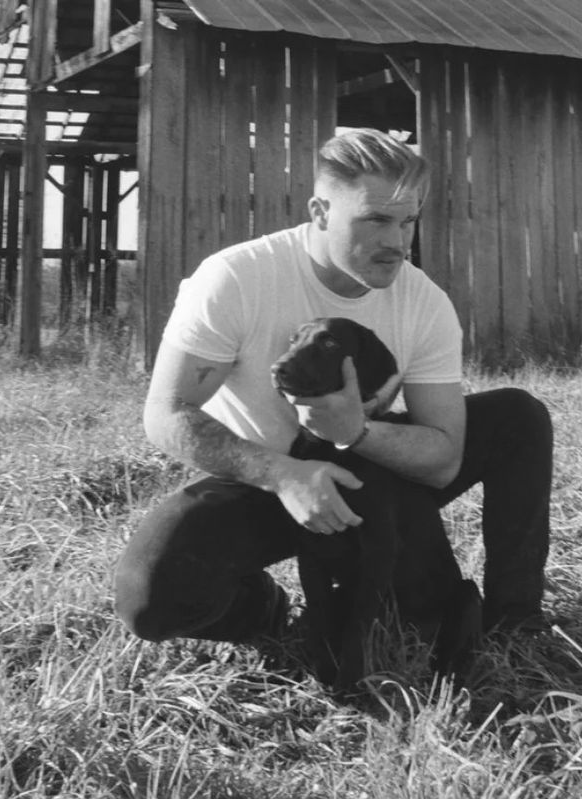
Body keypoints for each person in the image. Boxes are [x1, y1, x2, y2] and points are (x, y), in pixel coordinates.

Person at [114, 128, 553, 666]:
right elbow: (166, 412)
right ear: (320, 211)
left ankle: (515, 620)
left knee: (520, 417)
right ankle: (264, 613)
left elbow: (443, 460)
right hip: (264, 478)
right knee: (148, 597)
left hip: (374, 470)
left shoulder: (425, 303)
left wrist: (357, 432)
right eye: (375, 219)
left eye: (408, 220)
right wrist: (282, 475)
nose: (397, 241)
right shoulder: (237, 277)